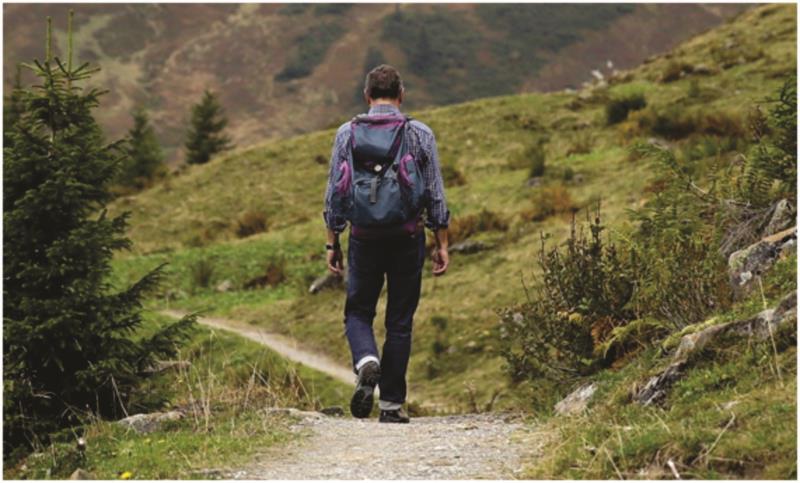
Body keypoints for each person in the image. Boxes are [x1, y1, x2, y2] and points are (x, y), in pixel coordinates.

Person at [322, 64, 450, 423]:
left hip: (363, 237)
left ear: (367, 96)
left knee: (358, 311)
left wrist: (333, 242)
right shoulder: (419, 133)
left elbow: (334, 191)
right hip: (407, 236)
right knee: (400, 320)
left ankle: (366, 360)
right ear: (401, 94)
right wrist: (441, 241)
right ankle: (392, 405)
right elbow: (435, 193)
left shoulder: (346, 134)